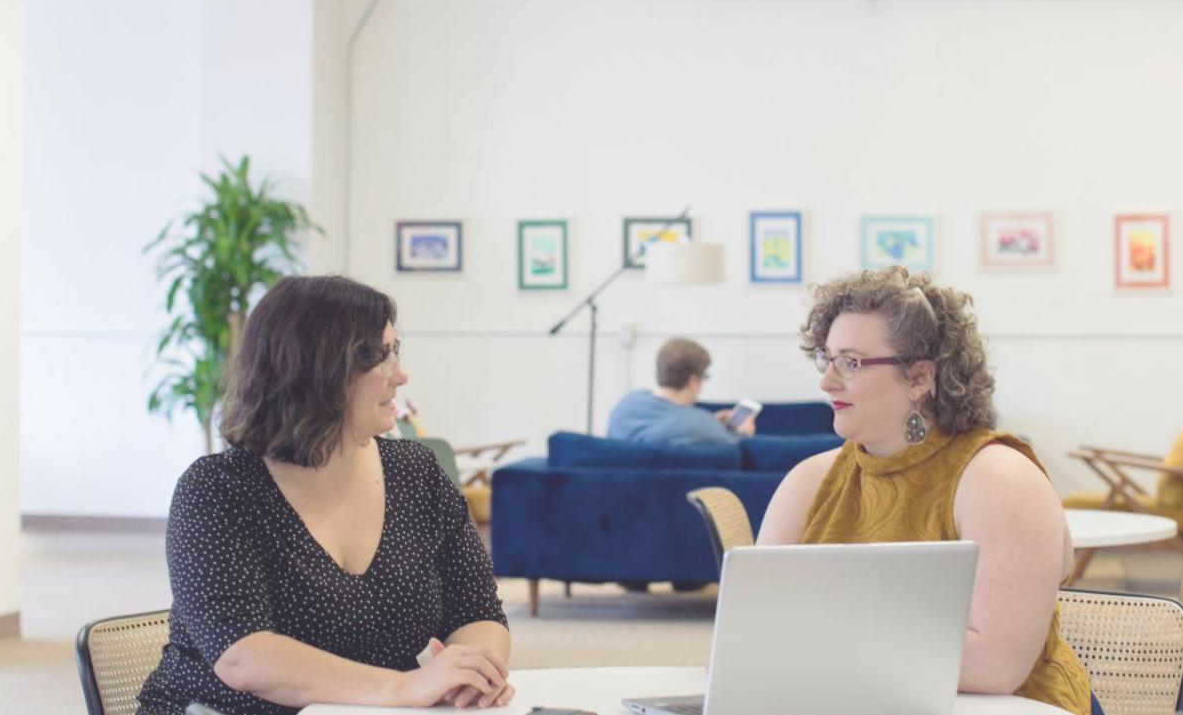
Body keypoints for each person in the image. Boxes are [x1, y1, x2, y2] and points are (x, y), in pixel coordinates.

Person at [136, 276, 514, 715]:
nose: (401, 375)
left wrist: (468, 673)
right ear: (318, 372)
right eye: (381, 358)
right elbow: (244, 657)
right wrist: (405, 688)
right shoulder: (218, 489)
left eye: (396, 353)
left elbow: (479, 612)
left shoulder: (418, 473)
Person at [756, 267, 1096, 715]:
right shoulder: (808, 481)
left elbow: (997, 666)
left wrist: (820, 645)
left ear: (919, 378)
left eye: (851, 362)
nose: (826, 381)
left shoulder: (1000, 479)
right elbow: (757, 635)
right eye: (827, 358)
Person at [605, 338, 756, 445]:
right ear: (693, 380)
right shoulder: (700, 425)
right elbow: (733, 445)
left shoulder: (627, 403)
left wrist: (712, 422)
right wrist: (744, 434)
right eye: (704, 376)